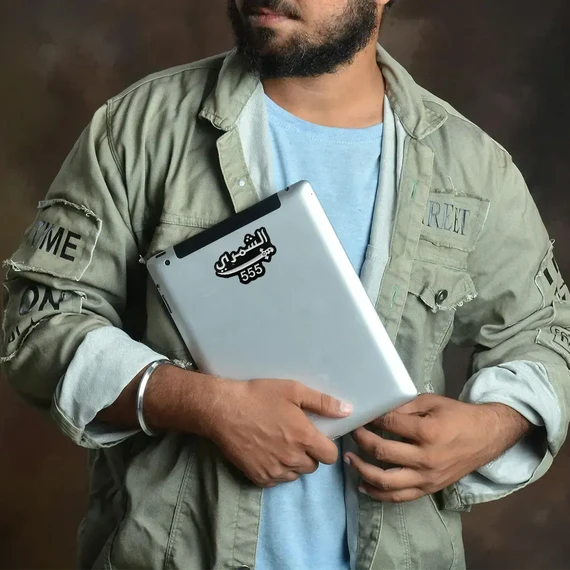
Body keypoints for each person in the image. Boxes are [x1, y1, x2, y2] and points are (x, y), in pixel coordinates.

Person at [2, 0, 570, 568]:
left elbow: (545, 334)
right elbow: (39, 325)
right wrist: (201, 405)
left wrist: (491, 428)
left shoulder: (473, 168)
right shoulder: (139, 130)